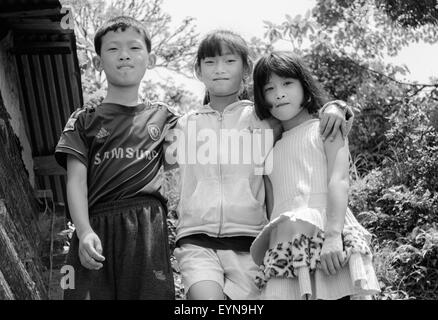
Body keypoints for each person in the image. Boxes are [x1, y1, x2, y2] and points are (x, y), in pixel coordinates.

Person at [167, 30, 355, 300]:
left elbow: (303, 122)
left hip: (251, 241)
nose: (219, 70)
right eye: (210, 62)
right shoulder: (182, 125)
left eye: (229, 61)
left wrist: (336, 107)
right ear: (198, 70)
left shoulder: (264, 121)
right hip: (196, 239)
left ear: (246, 70)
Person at [54, 16, 178, 300]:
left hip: (148, 229)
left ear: (151, 58)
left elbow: (192, 168)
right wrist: (83, 230)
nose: (124, 55)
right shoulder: (84, 120)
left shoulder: (166, 118)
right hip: (95, 226)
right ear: (98, 63)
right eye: (112, 49)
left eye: (134, 48)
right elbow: (75, 181)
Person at [250, 51, 380, 300]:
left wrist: (333, 237)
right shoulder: (268, 152)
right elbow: (271, 209)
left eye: (287, 83)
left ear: (304, 87)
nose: (279, 93)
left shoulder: (326, 128)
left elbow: (339, 180)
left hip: (328, 238)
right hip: (287, 250)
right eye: (269, 88)